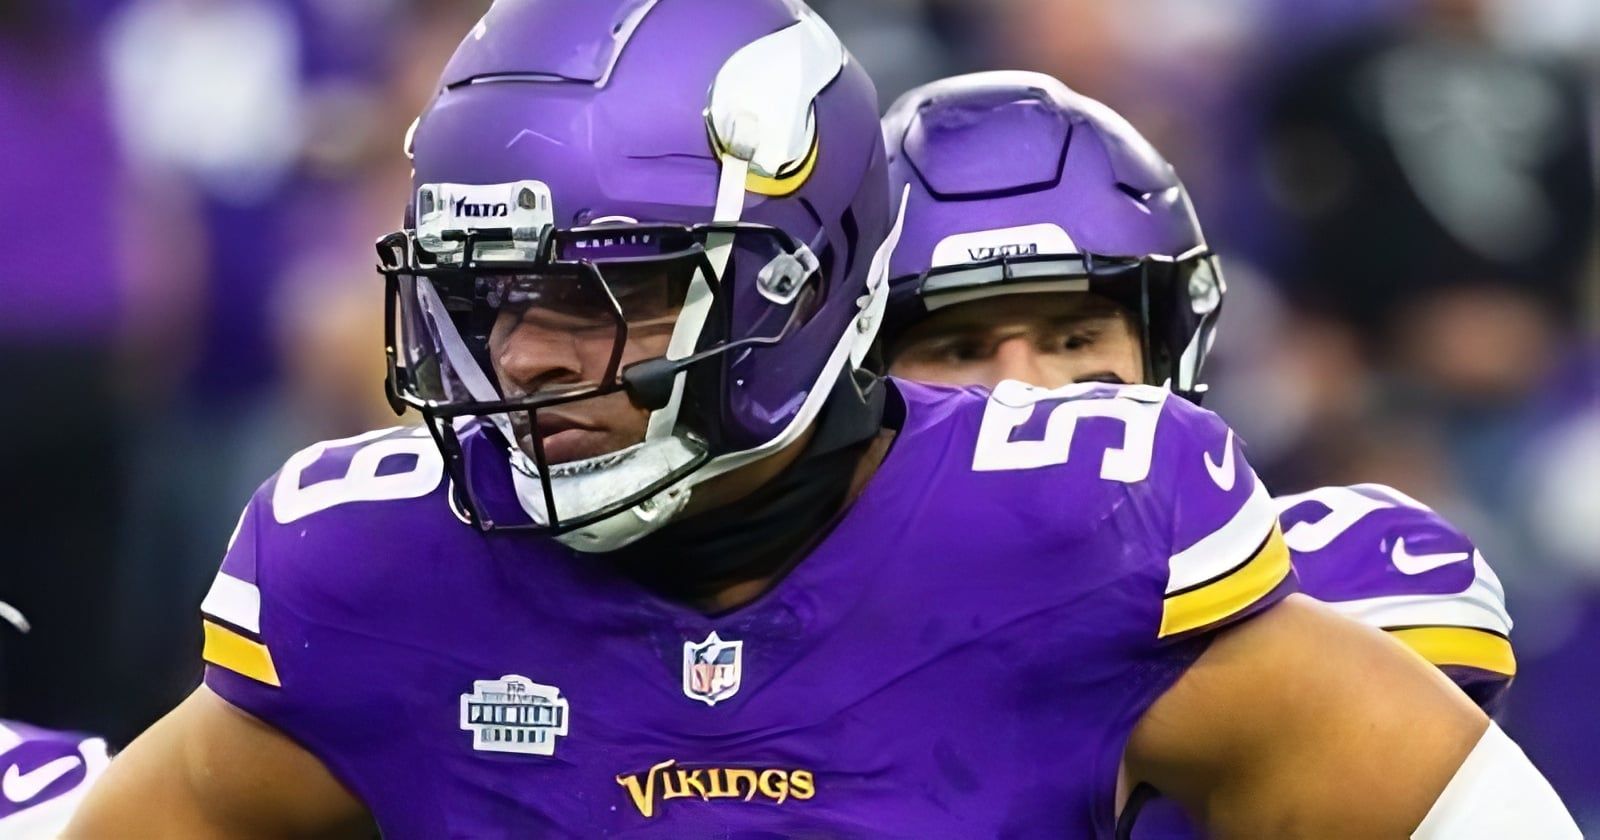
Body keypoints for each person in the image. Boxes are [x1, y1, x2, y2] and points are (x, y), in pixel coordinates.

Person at [68, 3, 1575, 837]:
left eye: (618, 290)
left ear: (804, 282)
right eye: (490, 293)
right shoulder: (370, 571)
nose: (527, 358)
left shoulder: (1079, 529)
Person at [876, 71, 1534, 835]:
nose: (1021, 393)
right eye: (960, 349)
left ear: (1168, 354)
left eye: (1074, 340)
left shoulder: (1326, 583)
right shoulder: (769, 615)